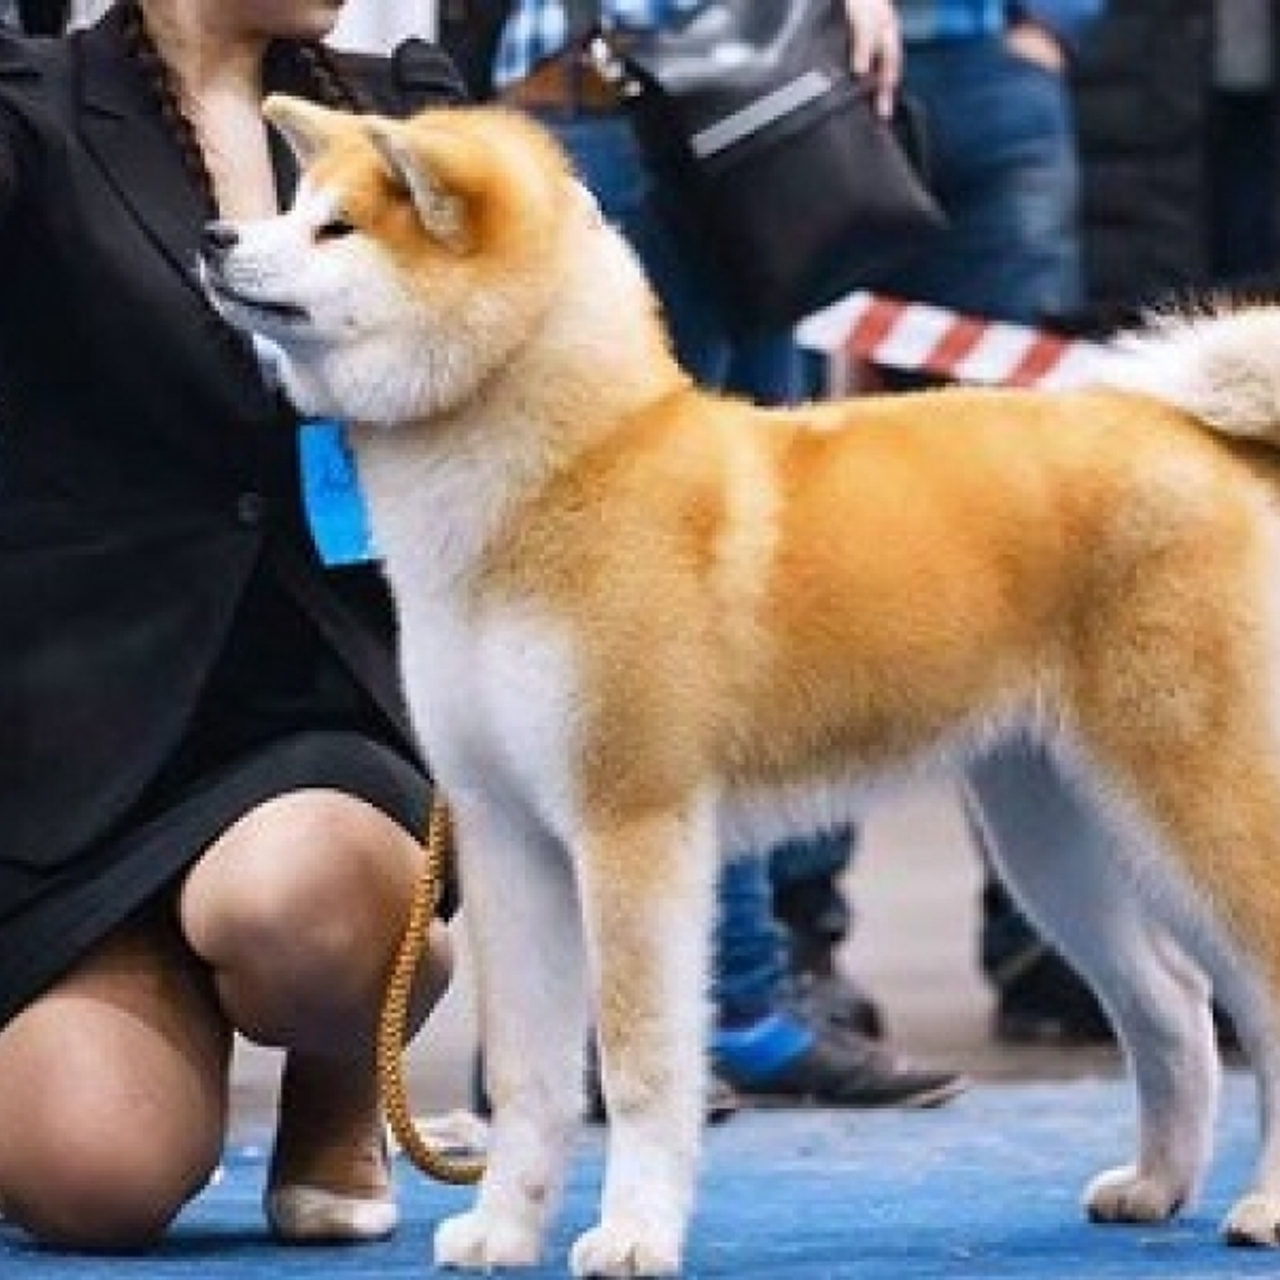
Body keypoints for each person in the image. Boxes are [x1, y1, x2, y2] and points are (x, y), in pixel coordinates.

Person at [0, 0, 467, 1252]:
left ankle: (341, 1072)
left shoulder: (405, 110)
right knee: (87, 1182)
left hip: (324, 707)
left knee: (298, 905)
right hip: (86, 754)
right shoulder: (30, 111)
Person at [444, 0, 967, 1109]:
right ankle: (571, 1032)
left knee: (735, 613)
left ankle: (734, 999)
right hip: (592, 112)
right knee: (611, 633)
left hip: (758, 110)